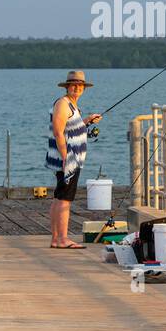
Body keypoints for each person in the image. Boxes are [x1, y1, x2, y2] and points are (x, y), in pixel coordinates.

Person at [45, 70, 102, 248]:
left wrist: (86, 121)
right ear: (67, 86)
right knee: (65, 200)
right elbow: (58, 131)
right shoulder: (63, 104)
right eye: (73, 84)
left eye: (80, 85)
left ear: (84, 88)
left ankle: (56, 239)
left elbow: (71, 127)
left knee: (59, 196)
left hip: (69, 158)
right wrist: (66, 158)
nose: (77, 87)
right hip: (68, 159)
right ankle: (62, 239)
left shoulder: (72, 105)